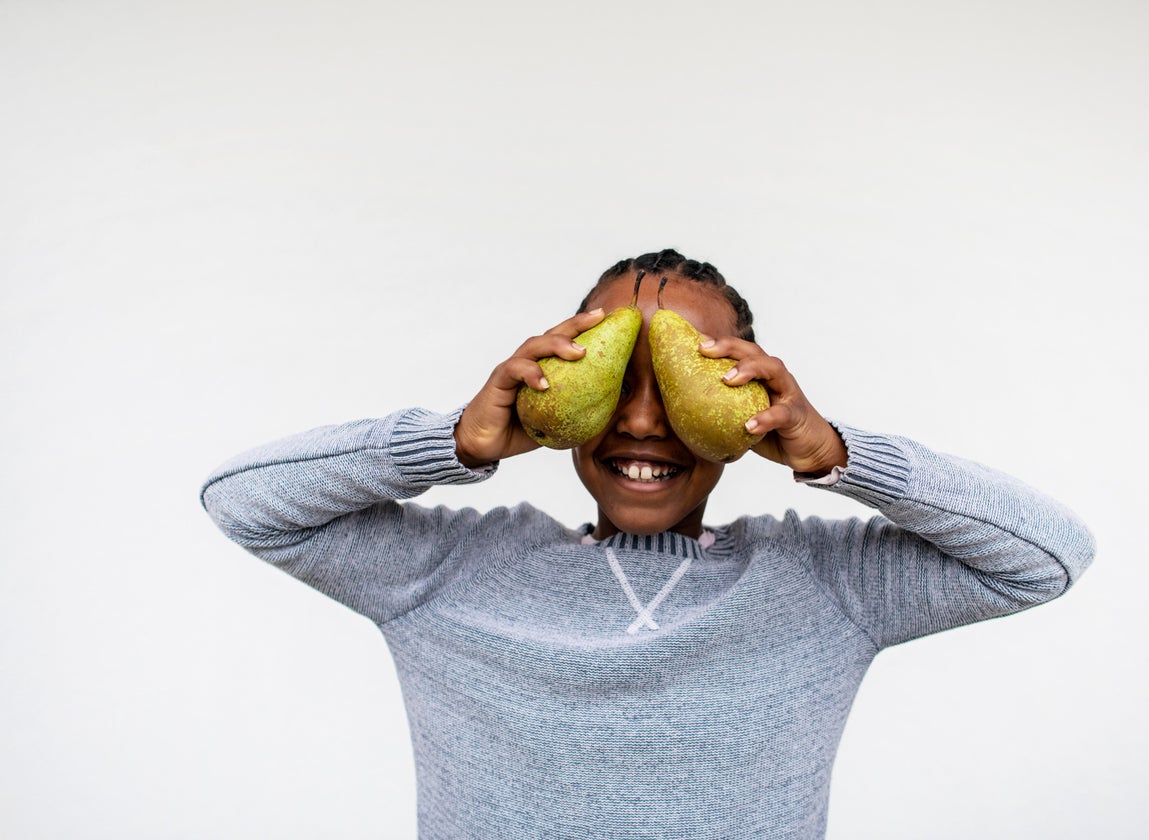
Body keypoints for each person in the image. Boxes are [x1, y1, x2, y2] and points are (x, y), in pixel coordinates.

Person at [200, 249, 1095, 839]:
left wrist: (840, 457)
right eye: (616, 379)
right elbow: (245, 502)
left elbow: (1048, 558)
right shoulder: (450, 571)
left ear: (752, 398)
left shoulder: (823, 585)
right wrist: (453, 443)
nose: (640, 419)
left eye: (680, 380)